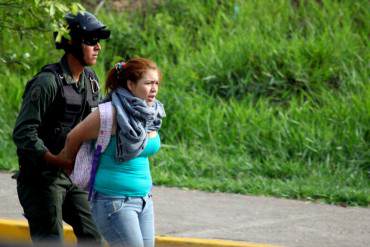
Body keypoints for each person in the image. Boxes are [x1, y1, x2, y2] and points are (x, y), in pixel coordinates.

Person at [12, 11, 110, 244]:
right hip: (41, 178)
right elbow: (23, 133)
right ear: (71, 43)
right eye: (90, 41)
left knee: (95, 238)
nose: (97, 47)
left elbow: (94, 124)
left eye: (98, 41)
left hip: (72, 176)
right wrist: (56, 160)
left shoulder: (90, 81)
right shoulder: (47, 82)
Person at [58, 57, 166, 247]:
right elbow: (73, 137)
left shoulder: (151, 112)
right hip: (113, 202)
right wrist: (68, 168)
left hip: (144, 200)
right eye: (148, 83)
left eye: (156, 83)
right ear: (131, 85)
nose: (154, 88)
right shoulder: (111, 113)